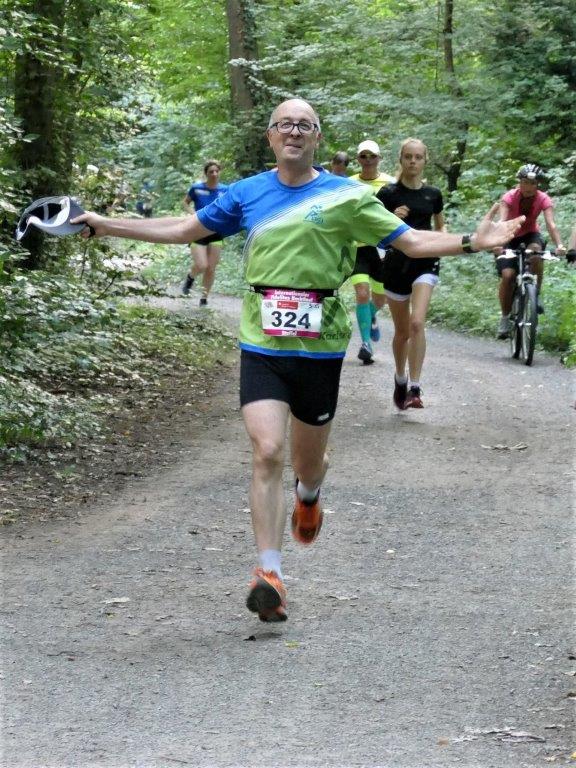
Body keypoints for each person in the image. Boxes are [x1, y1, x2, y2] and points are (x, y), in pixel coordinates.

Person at [71, 98, 525, 623]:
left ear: (317, 138)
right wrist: (105, 224)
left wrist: (472, 242)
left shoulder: (346, 196)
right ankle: (269, 574)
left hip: (320, 346)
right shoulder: (246, 193)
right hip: (262, 343)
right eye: (284, 124)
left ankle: (309, 493)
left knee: (307, 464)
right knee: (267, 451)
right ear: (271, 136)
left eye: (304, 125)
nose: (294, 131)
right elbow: (184, 229)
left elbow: (412, 241)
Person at [377, 138, 446, 410]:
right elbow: (374, 231)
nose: (413, 162)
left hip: (425, 263)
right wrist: (393, 217)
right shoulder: (388, 193)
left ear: (425, 160)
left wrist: (443, 244)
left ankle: (415, 388)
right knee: (402, 332)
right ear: (401, 159)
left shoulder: (433, 194)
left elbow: (440, 227)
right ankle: (400, 378)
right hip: (396, 266)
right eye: (408, 157)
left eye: (418, 157)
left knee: (417, 323)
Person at [494, 163, 566, 338]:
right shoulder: (509, 197)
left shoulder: (543, 198)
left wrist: (559, 245)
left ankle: (535, 295)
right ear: (520, 182)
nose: (528, 187)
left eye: (533, 183)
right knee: (508, 276)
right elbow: (502, 222)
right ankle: (505, 318)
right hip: (509, 235)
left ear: (537, 185)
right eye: (525, 182)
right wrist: (498, 243)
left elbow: (551, 224)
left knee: (535, 253)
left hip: (530, 235)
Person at [349, 140, 395, 364]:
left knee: (379, 299)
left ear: (379, 158)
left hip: (382, 248)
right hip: (357, 247)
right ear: (358, 159)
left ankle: (371, 314)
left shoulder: (391, 183)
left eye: (372, 156)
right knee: (362, 293)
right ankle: (366, 344)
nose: (368, 160)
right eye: (363, 156)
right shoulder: (348, 184)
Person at [182, 160, 228, 305]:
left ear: (219, 173)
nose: (214, 174)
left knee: (211, 268)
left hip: (216, 232)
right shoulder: (197, 188)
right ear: (206, 174)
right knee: (202, 265)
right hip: (198, 230)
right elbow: (185, 202)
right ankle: (190, 277)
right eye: (211, 172)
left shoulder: (225, 190)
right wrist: (193, 214)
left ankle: (204, 298)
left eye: (216, 171)